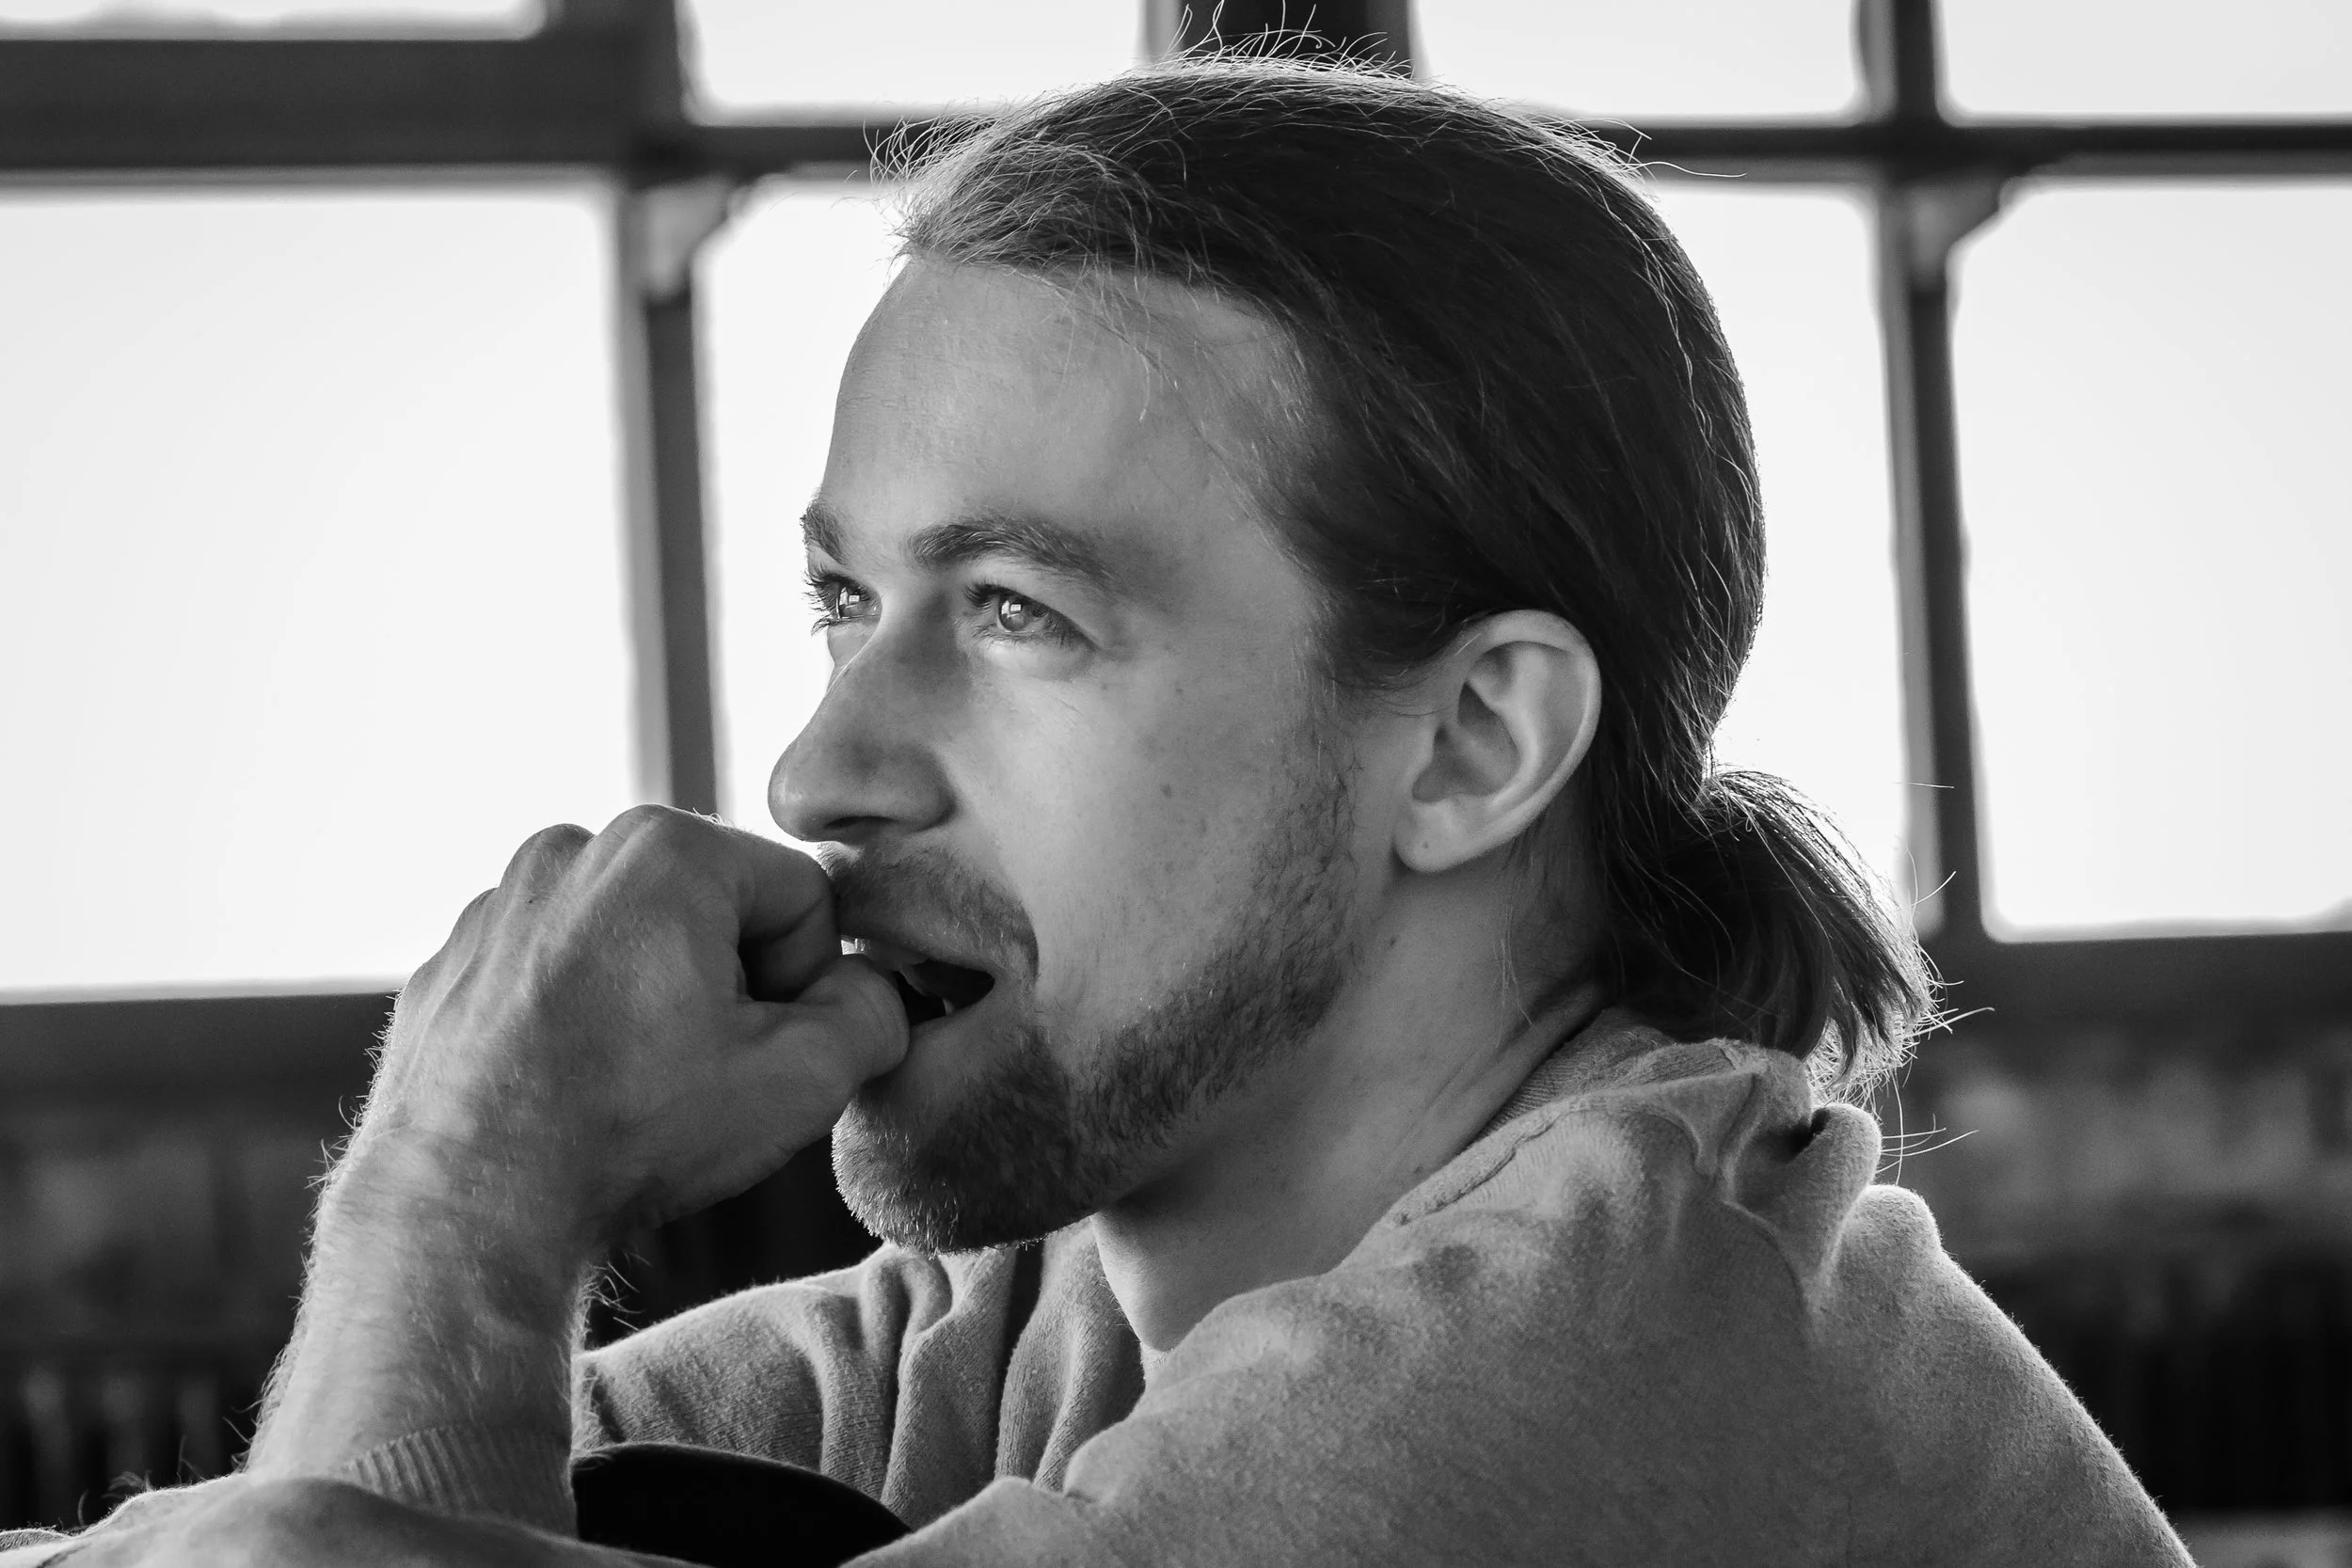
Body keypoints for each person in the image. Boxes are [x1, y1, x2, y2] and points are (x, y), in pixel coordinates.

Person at [4, 58, 2188, 1568]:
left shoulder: (1605, 1352)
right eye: (850, 599)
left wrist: (453, 1204)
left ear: (1467, 744)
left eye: (1020, 610)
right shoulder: (1044, 1313)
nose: (823, 766)